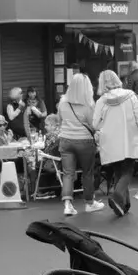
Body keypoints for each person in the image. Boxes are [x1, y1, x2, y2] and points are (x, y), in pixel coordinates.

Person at [91, 69, 138, 217]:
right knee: (128, 170)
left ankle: (123, 205)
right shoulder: (131, 97)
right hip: (129, 137)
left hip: (110, 140)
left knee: (117, 171)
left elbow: (95, 124)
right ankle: (117, 197)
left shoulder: (101, 101)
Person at [56, 68, 103, 216]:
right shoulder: (89, 104)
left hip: (65, 140)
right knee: (87, 173)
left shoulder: (63, 103)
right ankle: (89, 202)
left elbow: (59, 121)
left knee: (68, 173)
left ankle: (68, 205)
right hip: (84, 141)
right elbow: (94, 125)